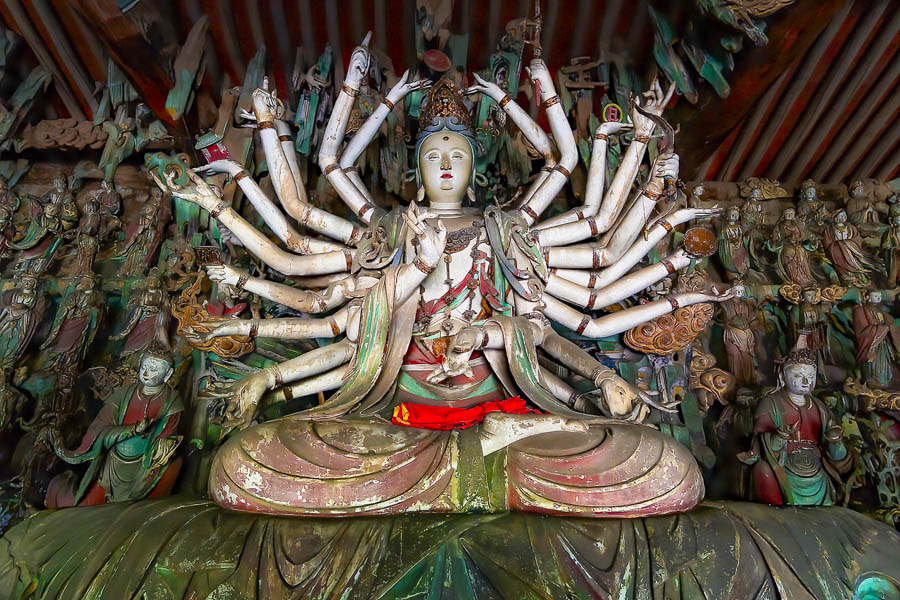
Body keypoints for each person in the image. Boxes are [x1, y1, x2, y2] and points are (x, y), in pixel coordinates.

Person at [46, 352, 183, 507]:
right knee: (87, 506)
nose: (146, 373)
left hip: (144, 468)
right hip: (112, 465)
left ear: (168, 374)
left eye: (153, 369)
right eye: (144, 367)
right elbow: (101, 428)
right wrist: (133, 430)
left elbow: (167, 435)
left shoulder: (172, 403)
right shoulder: (124, 394)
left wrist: (163, 447)